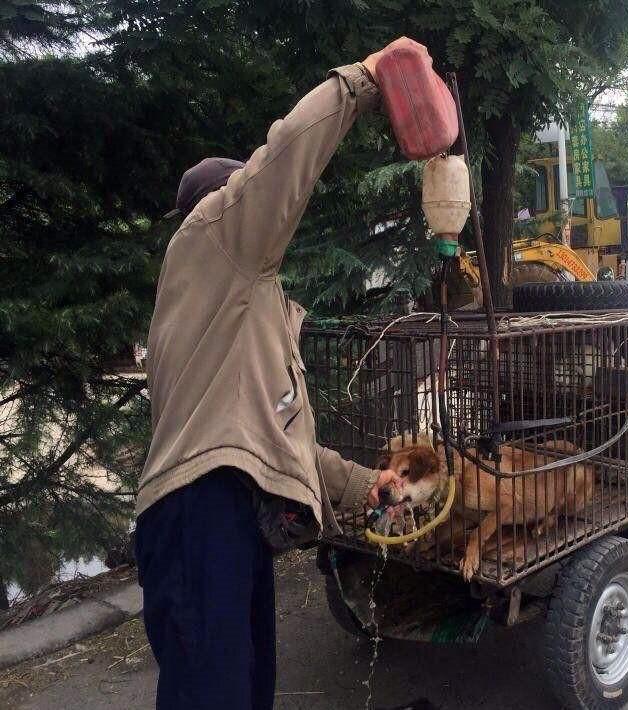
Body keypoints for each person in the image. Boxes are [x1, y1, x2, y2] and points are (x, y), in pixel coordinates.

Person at [134, 38, 426, 710]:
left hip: (229, 519)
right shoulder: (211, 240)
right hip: (197, 517)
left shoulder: (236, 317)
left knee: (246, 694)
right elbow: (283, 161)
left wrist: (365, 486)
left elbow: (278, 439)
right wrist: (365, 77)